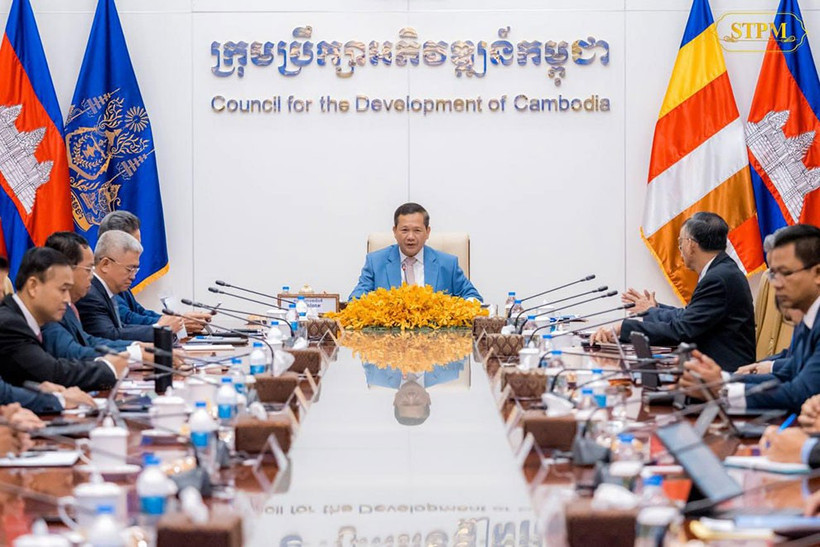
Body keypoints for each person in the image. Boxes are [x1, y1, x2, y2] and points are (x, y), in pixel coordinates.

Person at [680, 224, 820, 414]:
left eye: (785, 273)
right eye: (773, 274)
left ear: (817, 273)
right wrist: (722, 379)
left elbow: (800, 393)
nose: (776, 284)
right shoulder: (809, 316)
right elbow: (785, 375)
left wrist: (721, 389)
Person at [591, 212, 755, 372]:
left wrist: (624, 327)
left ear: (691, 244)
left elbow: (682, 330)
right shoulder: (721, 270)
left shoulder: (718, 278)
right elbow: (689, 316)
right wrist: (652, 310)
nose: (680, 249)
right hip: (711, 366)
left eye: (680, 242)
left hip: (725, 375)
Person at [0, 247, 128, 391]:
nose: (67, 299)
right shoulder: (9, 324)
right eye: (62, 290)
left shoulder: (21, 319)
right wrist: (108, 368)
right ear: (33, 286)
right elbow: (52, 372)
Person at [98, 210, 210, 334]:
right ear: (113, 242)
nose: (139, 250)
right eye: (134, 245)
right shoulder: (100, 282)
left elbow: (139, 312)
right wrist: (174, 324)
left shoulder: (121, 277)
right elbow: (128, 319)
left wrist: (176, 321)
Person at [349, 203, 482, 301]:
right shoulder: (375, 262)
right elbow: (355, 300)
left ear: (427, 232)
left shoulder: (448, 264)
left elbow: (473, 297)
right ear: (395, 231)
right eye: (404, 230)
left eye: (417, 230)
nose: (411, 237)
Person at [41, 232, 136, 360]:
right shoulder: (48, 307)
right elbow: (71, 352)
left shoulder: (69, 306)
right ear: (66, 269)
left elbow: (87, 340)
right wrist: (133, 355)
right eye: (88, 269)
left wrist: (135, 347)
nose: (92, 276)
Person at [75, 230, 174, 342]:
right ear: (105, 264)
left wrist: (160, 326)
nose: (133, 277)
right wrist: (159, 329)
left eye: (135, 270)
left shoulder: (107, 291)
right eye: (129, 269)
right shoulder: (90, 295)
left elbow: (121, 327)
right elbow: (108, 335)